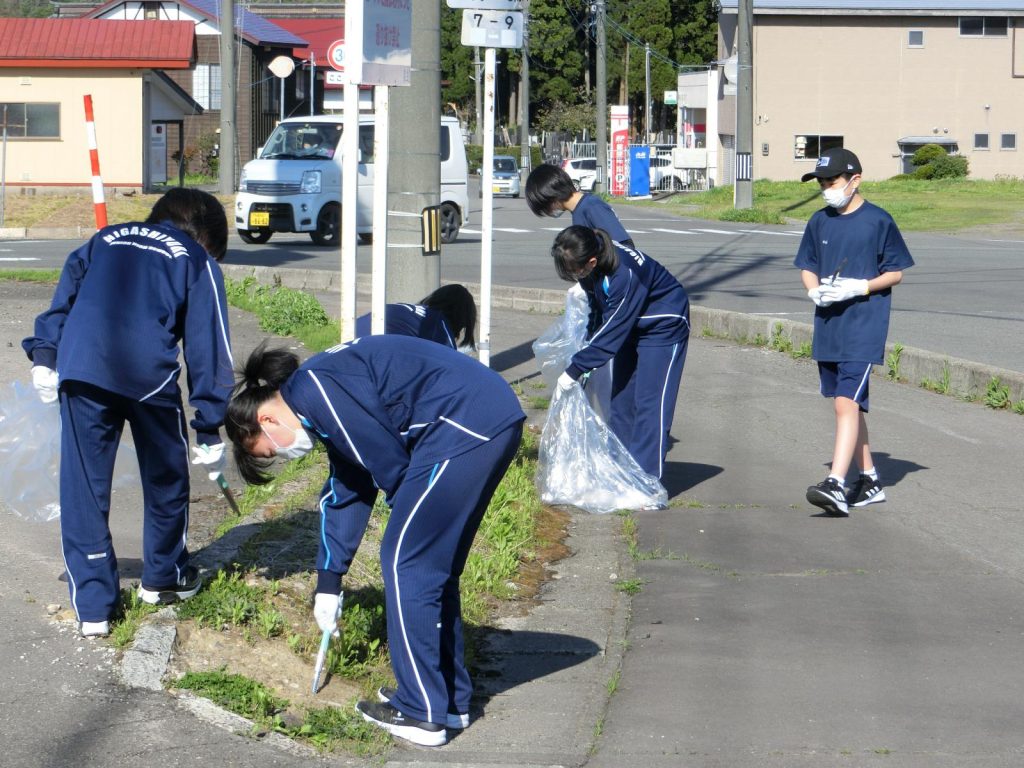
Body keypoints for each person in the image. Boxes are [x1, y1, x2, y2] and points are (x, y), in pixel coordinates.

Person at [224, 336, 525, 747]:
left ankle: (420, 712)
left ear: (266, 422)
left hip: (461, 423)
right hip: (485, 416)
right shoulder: (319, 400)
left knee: (407, 564)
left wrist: (409, 526)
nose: (281, 454)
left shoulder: (313, 389)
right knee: (432, 568)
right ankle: (448, 701)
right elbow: (348, 488)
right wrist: (328, 584)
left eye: (269, 452)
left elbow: (389, 465)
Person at [22, 188, 235, 638]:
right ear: (207, 238)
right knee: (167, 475)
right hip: (146, 374)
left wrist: (45, 355)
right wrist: (210, 427)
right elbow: (207, 344)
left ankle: (95, 607)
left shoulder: (104, 238)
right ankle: (163, 577)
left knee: (83, 484)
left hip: (80, 366)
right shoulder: (195, 259)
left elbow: (65, 298)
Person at [794, 147, 914, 516]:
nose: (827, 188)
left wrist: (859, 287)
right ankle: (870, 479)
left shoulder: (878, 220)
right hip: (829, 326)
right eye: (821, 183)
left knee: (846, 403)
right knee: (848, 403)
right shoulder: (819, 221)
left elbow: (895, 272)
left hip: (864, 326)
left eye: (832, 181)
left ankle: (835, 484)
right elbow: (807, 264)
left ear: (855, 180)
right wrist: (814, 290)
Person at [551, 225, 689, 482]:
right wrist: (586, 347)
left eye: (576, 272)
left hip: (663, 324)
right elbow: (598, 312)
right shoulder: (591, 264)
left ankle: (647, 483)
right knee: (622, 401)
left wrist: (575, 369)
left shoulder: (625, 273)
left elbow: (612, 331)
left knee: (651, 403)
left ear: (591, 261)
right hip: (631, 324)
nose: (575, 277)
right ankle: (621, 470)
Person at [525, 163, 635, 248]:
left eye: (545, 208)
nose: (548, 213)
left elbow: (625, 246)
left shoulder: (592, 207)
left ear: (551, 196)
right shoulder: (578, 211)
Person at [353, 283, 477, 351]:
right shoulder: (439, 325)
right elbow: (449, 368)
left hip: (348, 338)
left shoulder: (409, 310)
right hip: (371, 351)